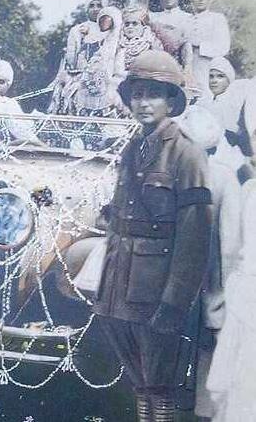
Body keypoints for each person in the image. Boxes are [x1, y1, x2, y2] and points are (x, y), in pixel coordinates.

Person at [92, 50, 212, 422]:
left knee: (160, 387)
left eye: (154, 94)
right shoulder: (133, 148)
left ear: (171, 101)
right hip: (119, 289)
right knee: (139, 383)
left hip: (156, 294)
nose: (144, 103)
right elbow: (119, 222)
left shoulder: (187, 155)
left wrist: (174, 303)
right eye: (138, 95)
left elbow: (195, 239)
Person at [179, 107, 242, 421]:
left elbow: (229, 247)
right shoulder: (192, 174)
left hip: (201, 291)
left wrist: (219, 302)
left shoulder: (221, 177)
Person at [206, 177, 256, 421]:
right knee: (233, 384)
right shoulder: (249, 189)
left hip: (247, 294)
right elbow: (233, 249)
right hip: (245, 295)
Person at [200, 57, 256, 180]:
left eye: (220, 76)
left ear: (229, 79)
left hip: (229, 150)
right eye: (211, 76)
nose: (214, 80)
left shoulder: (234, 103)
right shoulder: (202, 102)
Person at [189, 0, 230, 99]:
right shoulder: (186, 19)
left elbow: (223, 47)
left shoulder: (217, 19)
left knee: (206, 97)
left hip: (209, 67)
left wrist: (199, 46)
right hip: (189, 67)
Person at [150, 0, 193, 74]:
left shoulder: (187, 18)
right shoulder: (154, 17)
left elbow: (188, 47)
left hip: (178, 67)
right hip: (156, 64)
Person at [114, 5, 163, 82]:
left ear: (143, 26)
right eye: (127, 24)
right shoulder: (117, 44)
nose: (130, 27)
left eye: (134, 23)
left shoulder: (152, 44)